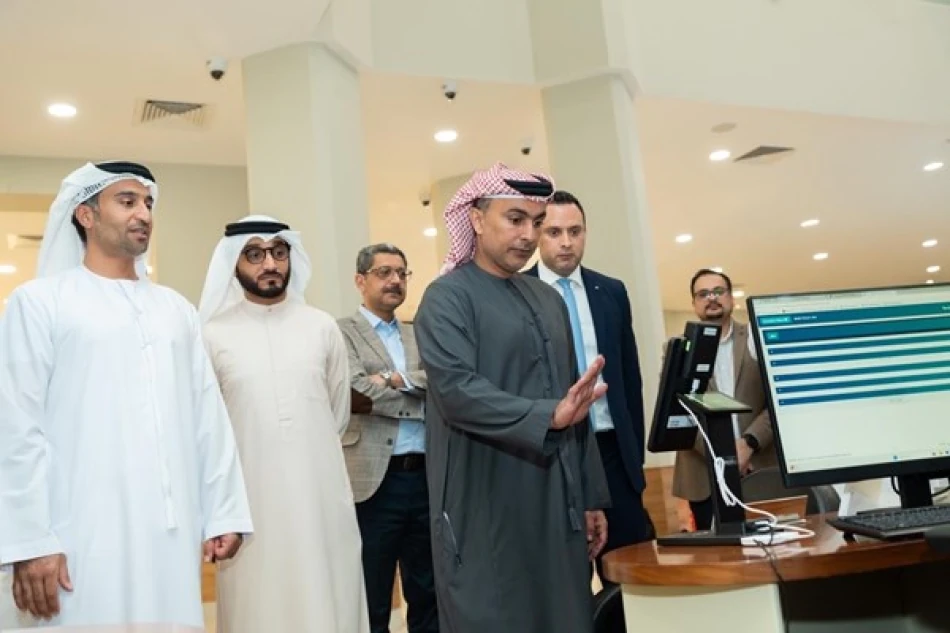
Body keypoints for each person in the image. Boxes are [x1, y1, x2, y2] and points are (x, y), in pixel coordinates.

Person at [0, 161, 252, 629]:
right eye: (127, 201)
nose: (143, 214)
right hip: (77, 530)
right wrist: (30, 540)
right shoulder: (40, 303)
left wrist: (223, 511)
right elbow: (16, 426)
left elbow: (207, 417)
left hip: (168, 531)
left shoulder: (175, 309)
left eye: (148, 203)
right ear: (86, 215)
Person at [413, 162, 611, 633]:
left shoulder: (547, 298)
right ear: (477, 219)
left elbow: (575, 404)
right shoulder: (446, 298)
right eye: (515, 219)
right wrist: (550, 415)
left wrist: (591, 497)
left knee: (565, 615)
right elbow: (458, 392)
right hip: (483, 503)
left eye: (536, 222)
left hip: (558, 502)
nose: (528, 235)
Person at [198, 214, 370, 633]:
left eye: (278, 252)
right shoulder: (212, 335)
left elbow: (336, 414)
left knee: (328, 595)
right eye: (254, 255)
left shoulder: (321, 326)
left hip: (319, 495)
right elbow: (207, 429)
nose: (270, 264)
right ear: (234, 264)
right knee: (259, 604)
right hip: (249, 501)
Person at [526, 190, 655, 584]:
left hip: (613, 452)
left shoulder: (611, 291)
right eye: (554, 232)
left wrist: (634, 458)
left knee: (632, 576)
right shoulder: (517, 292)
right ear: (537, 234)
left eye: (575, 231)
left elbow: (630, 379)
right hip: (554, 454)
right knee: (567, 583)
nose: (566, 242)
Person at [338, 243, 438, 633]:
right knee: (372, 594)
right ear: (360, 280)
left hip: (424, 478)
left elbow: (441, 383)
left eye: (401, 273)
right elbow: (356, 393)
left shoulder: (419, 332)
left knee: (428, 591)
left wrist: (393, 379)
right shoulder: (342, 332)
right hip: (373, 484)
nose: (395, 280)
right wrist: (418, 395)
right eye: (384, 273)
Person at [672, 268, 775, 530]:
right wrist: (725, 454)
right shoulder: (678, 349)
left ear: (731, 297)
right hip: (703, 475)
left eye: (718, 291)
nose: (712, 298)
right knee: (718, 550)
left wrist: (749, 444)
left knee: (772, 543)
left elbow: (777, 401)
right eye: (703, 294)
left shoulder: (757, 337)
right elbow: (680, 409)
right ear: (694, 303)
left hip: (760, 465)